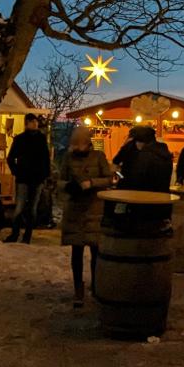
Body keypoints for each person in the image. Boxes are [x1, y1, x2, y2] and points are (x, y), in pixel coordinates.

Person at [57, 124, 112, 307]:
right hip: (75, 210)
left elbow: (109, 178)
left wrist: (92, 182)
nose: (77, 148)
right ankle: (78, 289)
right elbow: (59, 180)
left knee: (96, 251)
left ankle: (97, 286)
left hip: (94, 209)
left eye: (80, 144)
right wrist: (68, 186)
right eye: (75, 145)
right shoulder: (68, 158)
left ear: (88, 143)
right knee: (77, 252)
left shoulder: (98, 157)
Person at [4, 114, 51, 243]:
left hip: (37, 178)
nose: (35, 123)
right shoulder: (20, 139)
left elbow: (46, 159)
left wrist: (45, 175)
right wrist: (17, 171)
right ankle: (15, 233)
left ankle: (27, 236)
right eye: (32, 121)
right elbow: (10, 158)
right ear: (26, 123)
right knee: (20, 207)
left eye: (35, 121)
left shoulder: (41, 139)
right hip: (23, 178)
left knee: (32, 208)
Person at [116, 125, 173, 193]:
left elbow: (132, 179)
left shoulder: (143, 155)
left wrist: (120, 176)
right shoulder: (165, 153)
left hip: (141, 197)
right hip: (163, 197)